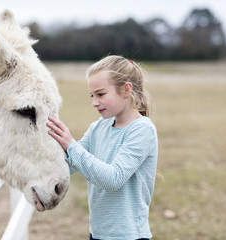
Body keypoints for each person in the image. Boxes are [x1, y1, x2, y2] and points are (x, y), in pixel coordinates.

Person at [47, 55, 158, 240]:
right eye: (92, 96)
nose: (94, 102)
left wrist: (71, 146)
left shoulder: (143, 130)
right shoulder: (99, 127)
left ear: (126, 89)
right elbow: (70, 164)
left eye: (101, 94)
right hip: (98, 233)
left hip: (129, 236)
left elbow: (112, 179)